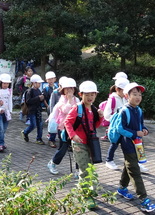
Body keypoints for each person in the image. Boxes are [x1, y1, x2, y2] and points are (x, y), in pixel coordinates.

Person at [115, 82, 155, 212]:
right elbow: (120, 128)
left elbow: (141, 125)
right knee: (135, 171)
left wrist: (144, 130)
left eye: (139, 94)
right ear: (127, 96)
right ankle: (144, 200)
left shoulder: (139, 110)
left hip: (138, 144)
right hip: (128, 144)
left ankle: (122, 188)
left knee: (129, 165)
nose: (138, 97)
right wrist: (134, 133)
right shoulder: (124, 111)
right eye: (134, 94)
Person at [64, 80, 104, 210]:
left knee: (90, 168)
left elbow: (94, 126)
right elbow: (67, 122)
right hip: (78, 144)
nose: (90, 97)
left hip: (90, 143)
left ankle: (86, 189)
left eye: (92, 94)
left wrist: (101, 117)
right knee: (85, 169)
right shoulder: (77, 108)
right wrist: (73, 135)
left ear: (96, 95)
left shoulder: (93, 109)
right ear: (81, 94)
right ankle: (86, 195)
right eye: (87, 94)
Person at [47, 77, 79, 175]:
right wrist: (69, 101)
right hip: (63, 129)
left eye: (71, 88)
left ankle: (78, 171)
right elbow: (66, 110)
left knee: (78, 149)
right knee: (63, 148)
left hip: (75, 128)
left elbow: (78, 112)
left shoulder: (77, 99)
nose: (69, 91)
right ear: (63, 90)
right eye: (67, 88)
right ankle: (52, 163)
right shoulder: (62, 100)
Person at [104, 77, 129, 171]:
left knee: (127, 145)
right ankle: (109, 160)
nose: (127, 93)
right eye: (125, 91)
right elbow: (107, 115)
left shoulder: (125, 98)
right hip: (115, 128)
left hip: (125, 127)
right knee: (114, 144)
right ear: (118, 89)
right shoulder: (112, 99)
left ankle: (133, 162)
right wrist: (117, 120)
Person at [21, 74, 46, 145]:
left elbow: (39, 100)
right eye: (38, 83)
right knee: (33, 124)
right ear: (34, 83)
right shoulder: (29, 91)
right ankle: (25, 132)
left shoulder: (38, 90)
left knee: (40, 125)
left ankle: (39, 138)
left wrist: (41, 98)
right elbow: (28, 101)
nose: (39, 84)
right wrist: (38, 98)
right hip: (31, 111)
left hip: (38, 110)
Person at [0, 73, 13, 152]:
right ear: (0, 82)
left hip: (6, 112)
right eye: (4, 83)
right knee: (0, 128)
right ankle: (1, 144)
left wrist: (10, 111)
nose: (6, 85)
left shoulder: (9, 91)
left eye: (7, 83)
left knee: (4, 129)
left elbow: (10, 101)